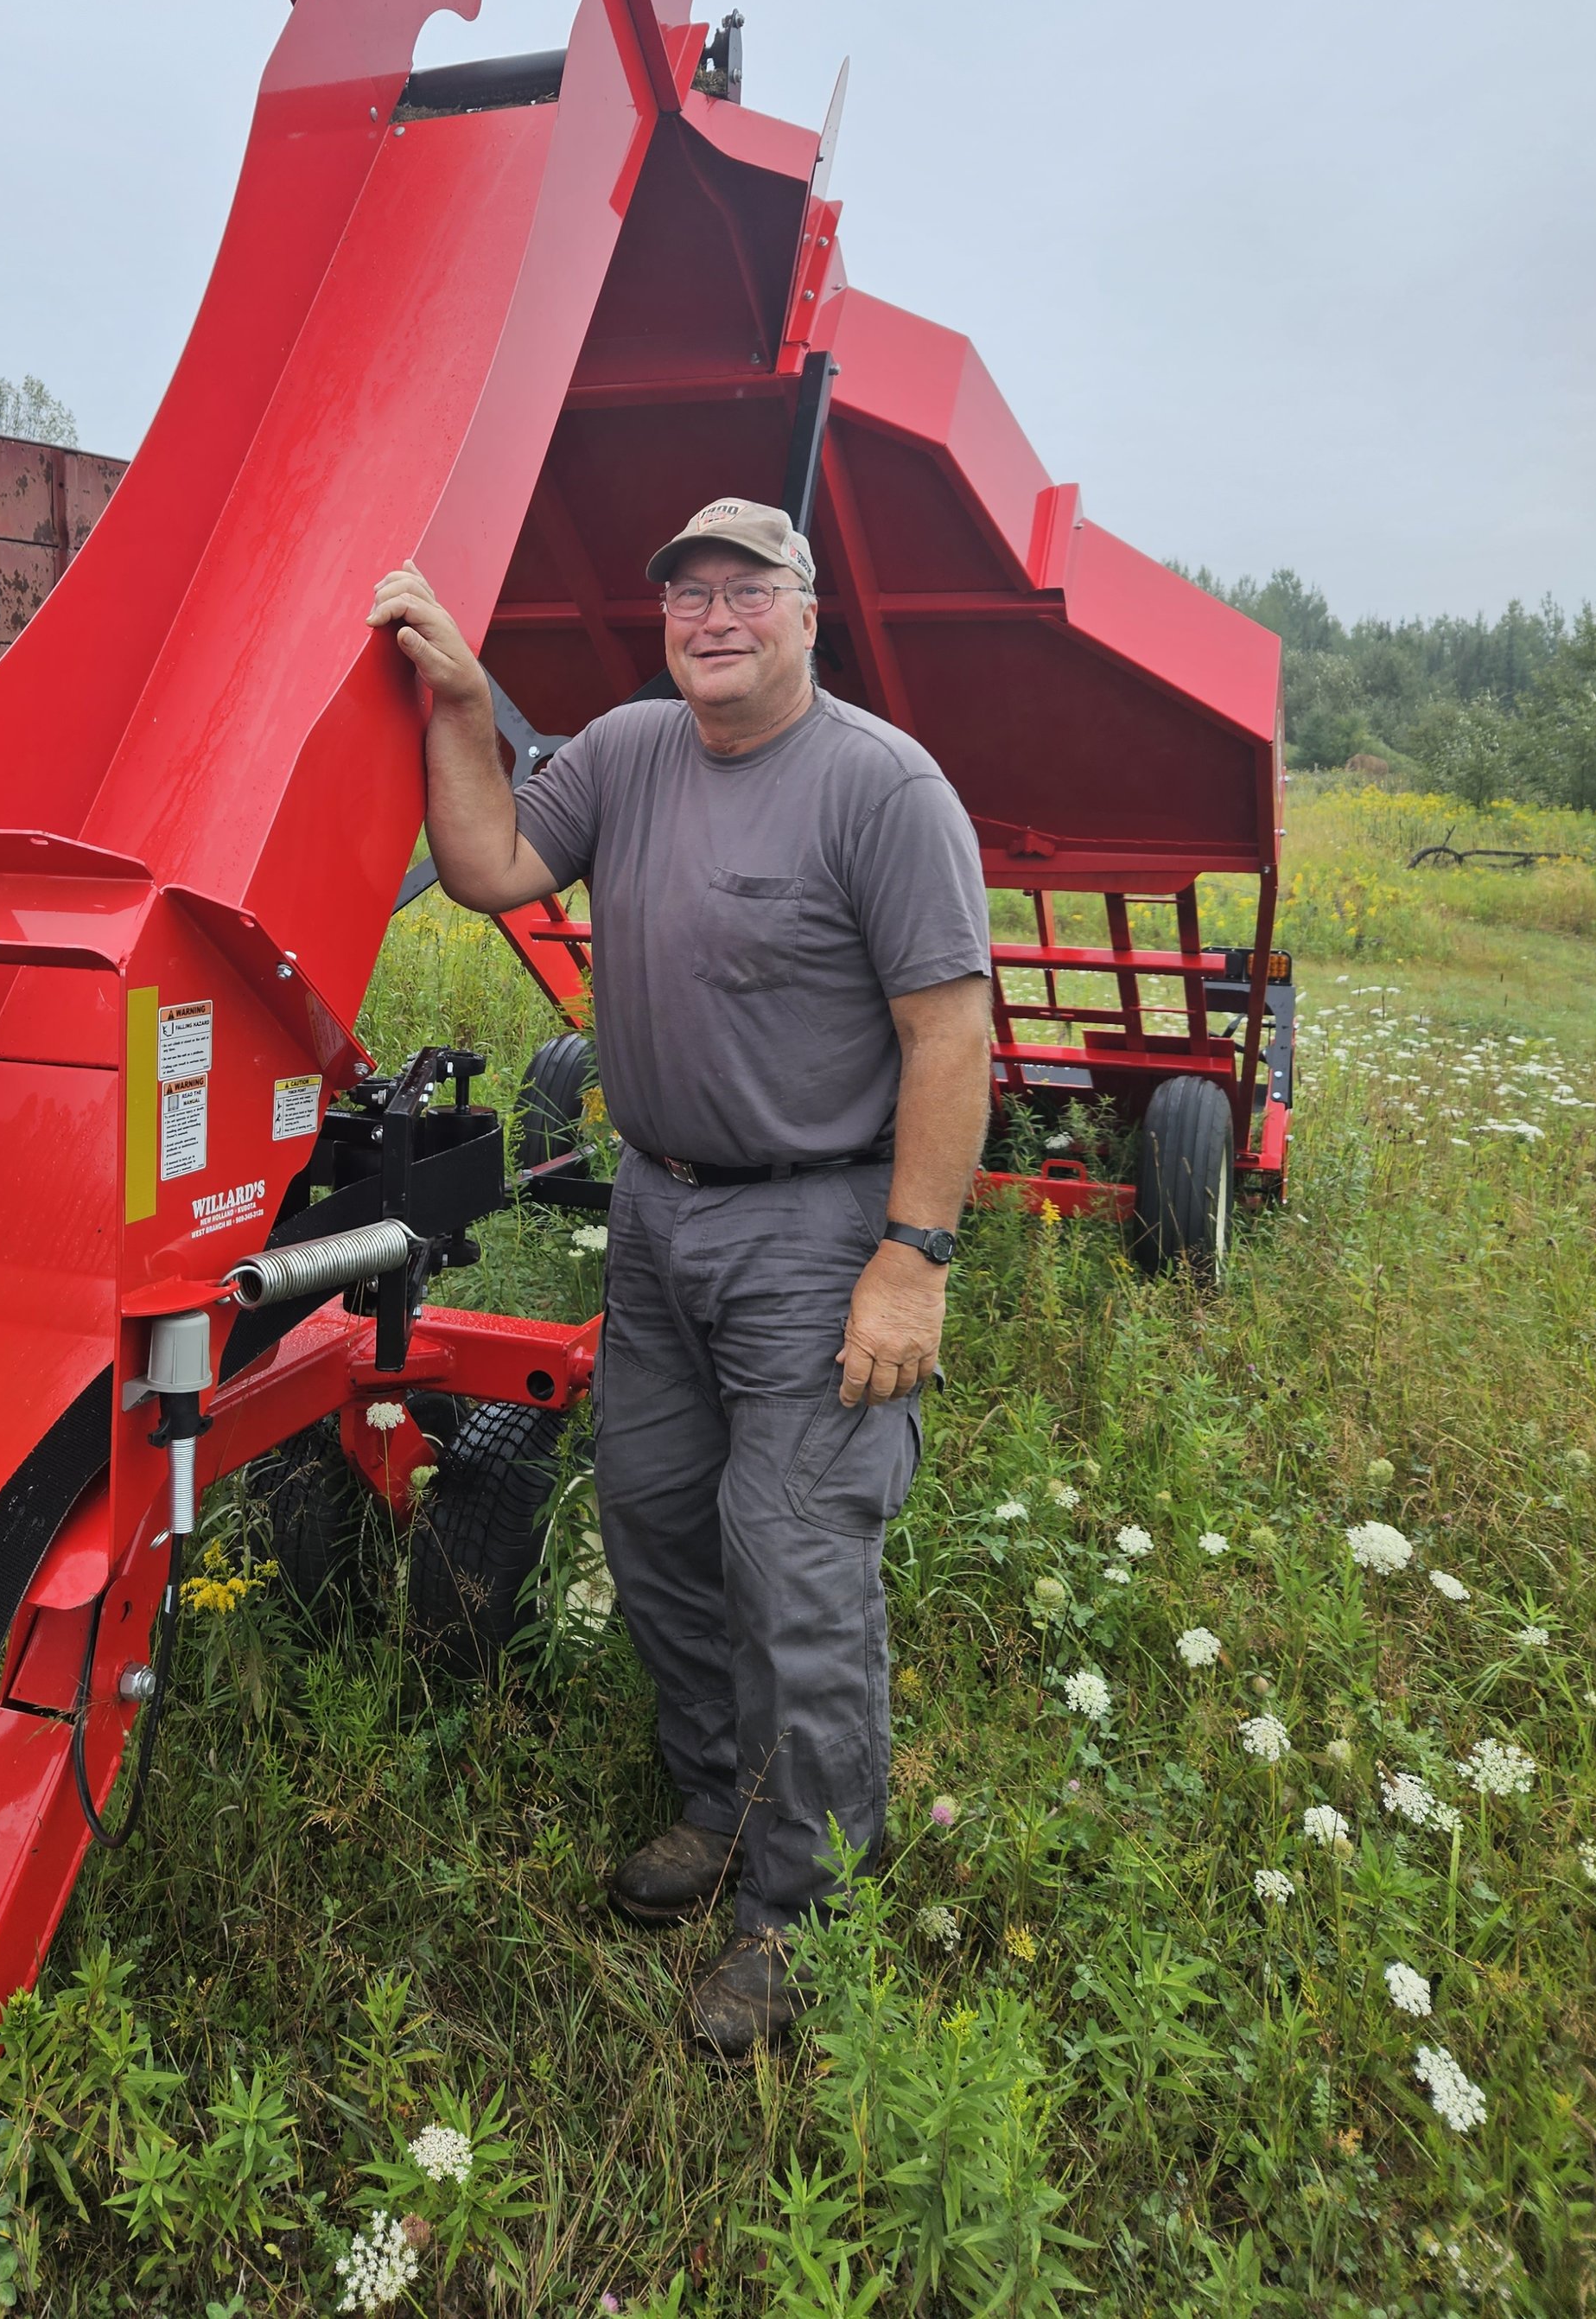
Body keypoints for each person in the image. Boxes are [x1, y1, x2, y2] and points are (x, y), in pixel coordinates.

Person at [368, 495, 993, 2051]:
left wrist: (911, 1260)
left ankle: (805, 1899)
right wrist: (458, 702)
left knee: (793, 1558)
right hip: (657, 1213)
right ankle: (719, 1799)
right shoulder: (635, 750)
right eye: (689, 594)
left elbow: (949, 1034)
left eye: (747, 589)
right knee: (654, 1519)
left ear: (806, 610)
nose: (714, 616)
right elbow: (490, 864)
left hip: (818, 1226)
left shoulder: (882, 787)